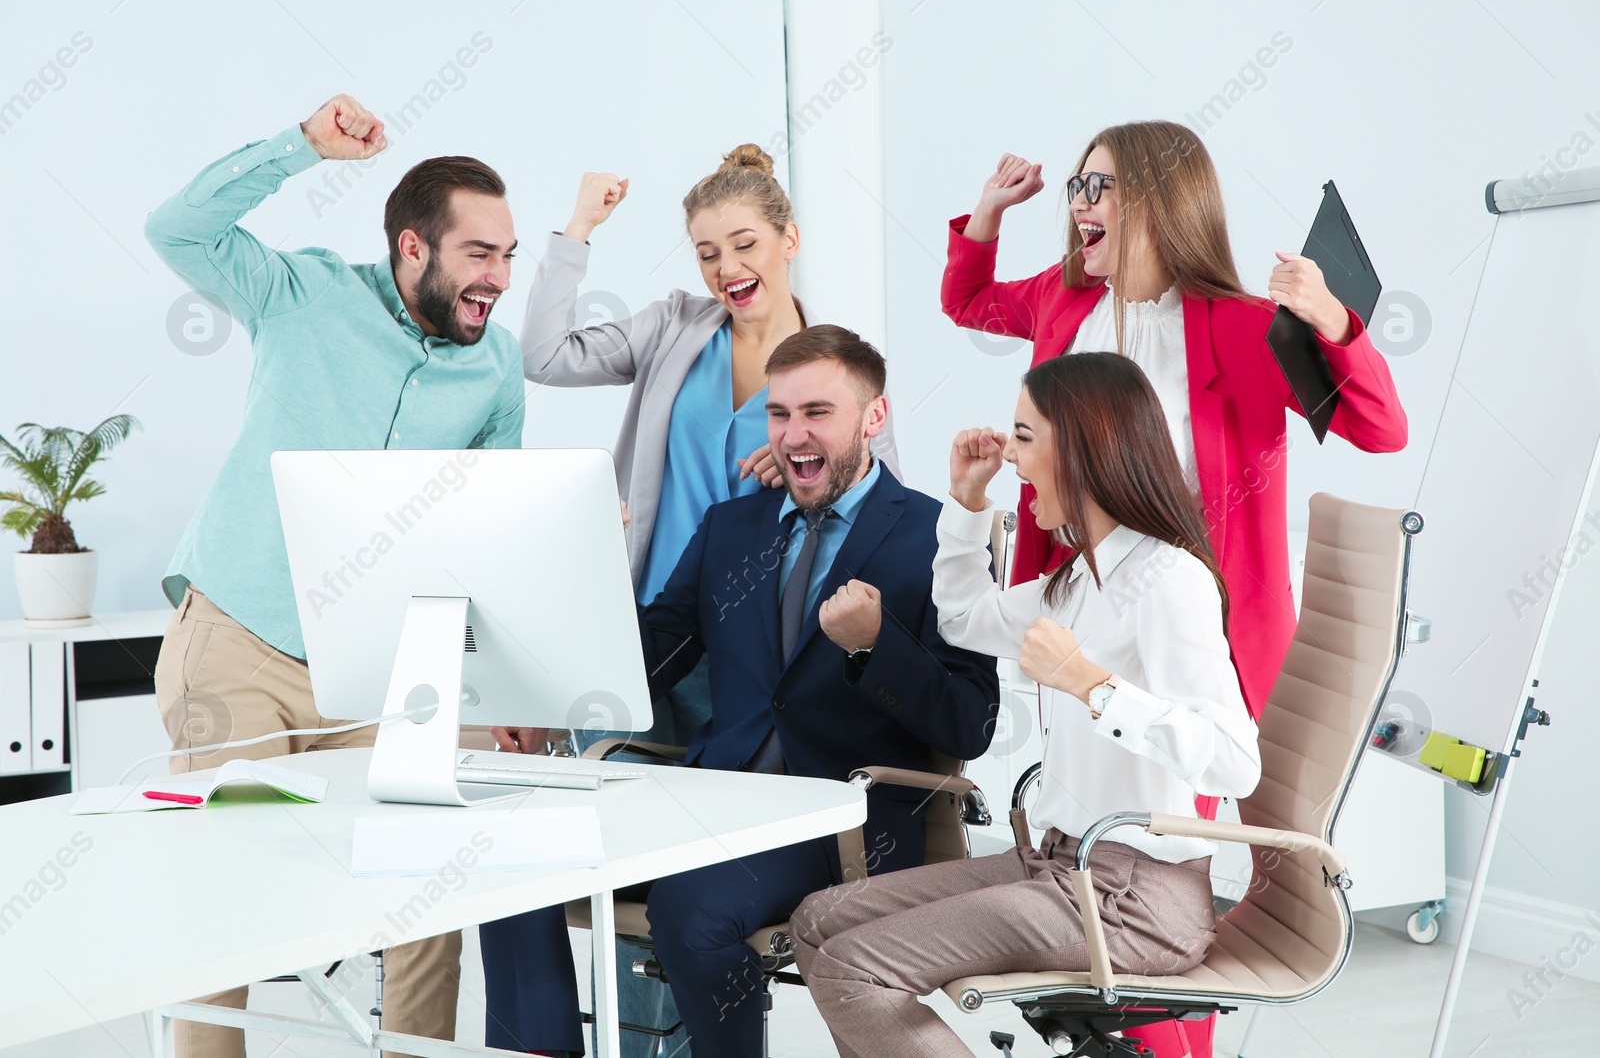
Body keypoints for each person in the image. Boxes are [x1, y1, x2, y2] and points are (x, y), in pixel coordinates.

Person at [941, 122, 1405, 1058]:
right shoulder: (1062, 305)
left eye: (1099, 187)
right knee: (1099, 850)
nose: (1079, 205)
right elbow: (969, 302)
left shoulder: (1241, 325)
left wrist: (1331, 321)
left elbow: (1379, 429)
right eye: (1076, 186)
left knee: (1168, 870)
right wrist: (986, 214)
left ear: (1160, 200)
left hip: (1203, 630)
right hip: (1089, 617)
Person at [489, 147, 899, 1055]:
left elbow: (877, 524)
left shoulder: (834, 373)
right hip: (655, 629)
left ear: (790, 239)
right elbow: (545, 355)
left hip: (757, 654)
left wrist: (802, 481)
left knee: (695, 874)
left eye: (743, 243)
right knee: (620, 863)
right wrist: (577, 232)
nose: (725, 268)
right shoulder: (678, 326)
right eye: (706, 250)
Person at [491, 326, 997, 1057]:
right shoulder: (733, 526)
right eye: (779, 413)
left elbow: (970, 720)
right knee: (513, 857)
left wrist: (873, 646)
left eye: (817, 412)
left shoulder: (938, 534)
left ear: (874, 417)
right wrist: (584, 595)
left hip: (841, 819)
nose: (794, 434)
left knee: (690, 908)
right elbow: (648, 656)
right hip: (712, 798)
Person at [144, 93, 527, 1058]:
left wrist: (509, 675)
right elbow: (176, 229)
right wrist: (302, 147)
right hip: (242, 638)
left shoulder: (497, 368)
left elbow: (485, 528)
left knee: (424, 887)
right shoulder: (301, 294)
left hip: (376, 666)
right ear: (412, 248)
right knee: (228, 902)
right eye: (481, 254)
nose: (500, 277)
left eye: (509, 256)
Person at [791, 351, 1262, 1058]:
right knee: (817, 921)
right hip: (1057, 866)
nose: (1009, 453)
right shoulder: (1080, 578)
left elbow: (1235, 761)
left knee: (855, 966)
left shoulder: (1169, 579)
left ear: (1082, 447)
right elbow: (965, 620)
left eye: (1024, 435)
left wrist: (1092, 685)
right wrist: (967, 505)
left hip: (1136, 900)